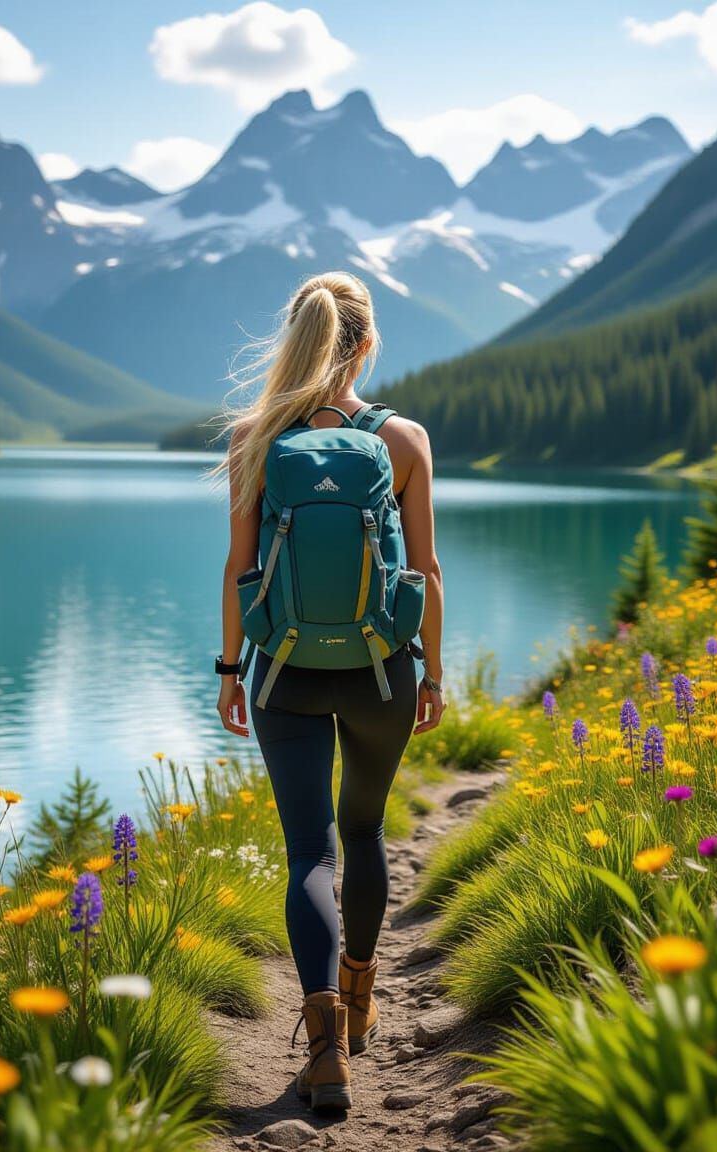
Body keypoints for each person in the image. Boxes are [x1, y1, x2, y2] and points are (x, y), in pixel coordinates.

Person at [215, 270, 445, 1113]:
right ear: (368, 341)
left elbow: (242, 570)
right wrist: (434, 672)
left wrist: (232, 670)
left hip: (284, 673)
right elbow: (425, 570)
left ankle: (321, 1054)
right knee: (365, 828)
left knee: (309, 850)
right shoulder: (405, 439)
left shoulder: (255, 437)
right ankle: (358, 997)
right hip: (382, 669)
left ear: (298, 339)